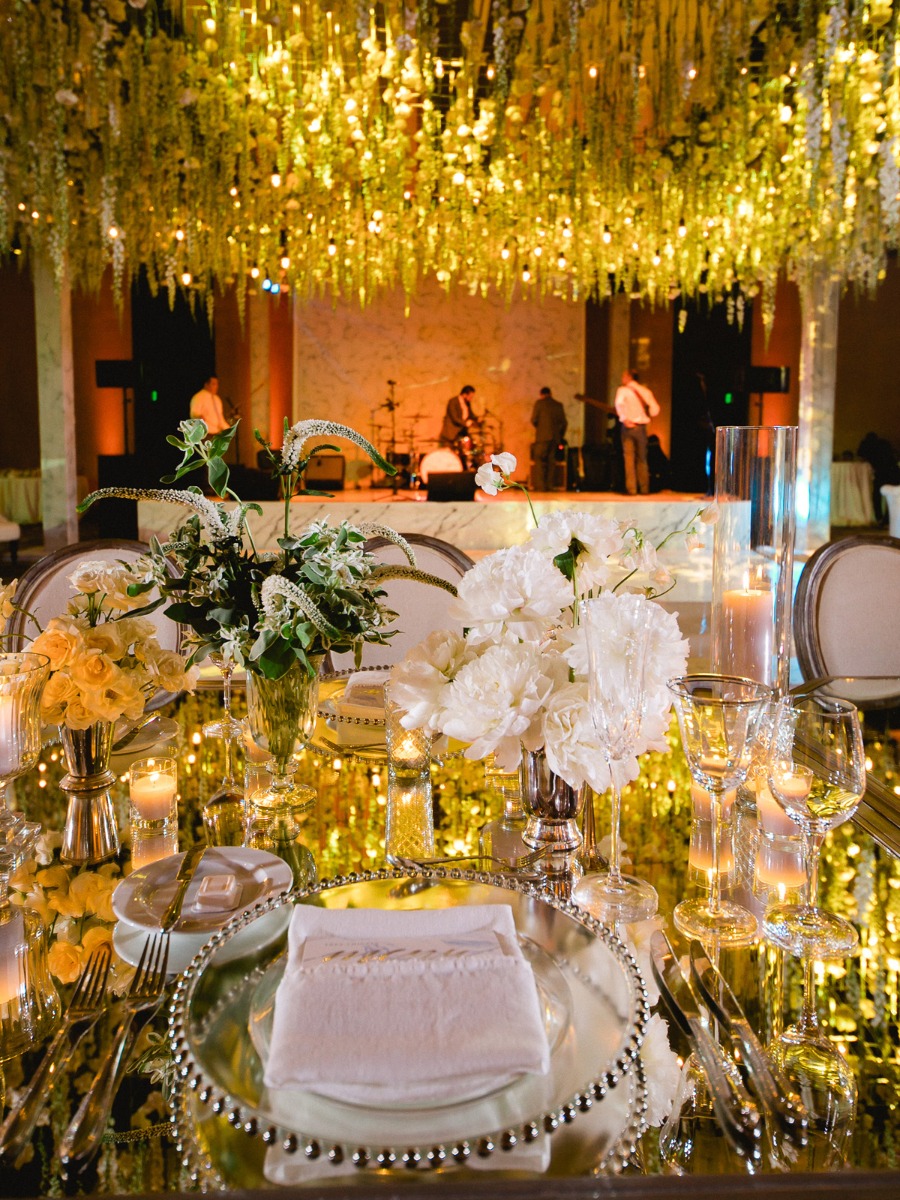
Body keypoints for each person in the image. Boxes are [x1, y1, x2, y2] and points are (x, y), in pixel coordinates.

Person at [614, 369, 660, 495]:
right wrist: (647, 415)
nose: (622, 378)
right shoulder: (645, 391)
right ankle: (644, 488)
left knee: (629, 458)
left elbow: (619, 405)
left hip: (628, 427)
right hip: (641, 428)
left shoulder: (622, 390)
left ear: (629, 377)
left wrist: (624, 419)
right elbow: (655, 409)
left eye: (624, 376)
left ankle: (632, 489)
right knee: (642, 458)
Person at [530, 386, 567, 491]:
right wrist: (560, 436)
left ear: (541, 394)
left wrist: (540, 428)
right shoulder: (558, 405)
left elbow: (533, 420)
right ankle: (550, 485)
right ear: (550, 394)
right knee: (551, 462)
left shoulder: (539, 403)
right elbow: (564, 423)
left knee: (539, 461)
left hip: (542, 438)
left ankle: (541, 486)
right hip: (555, 438)